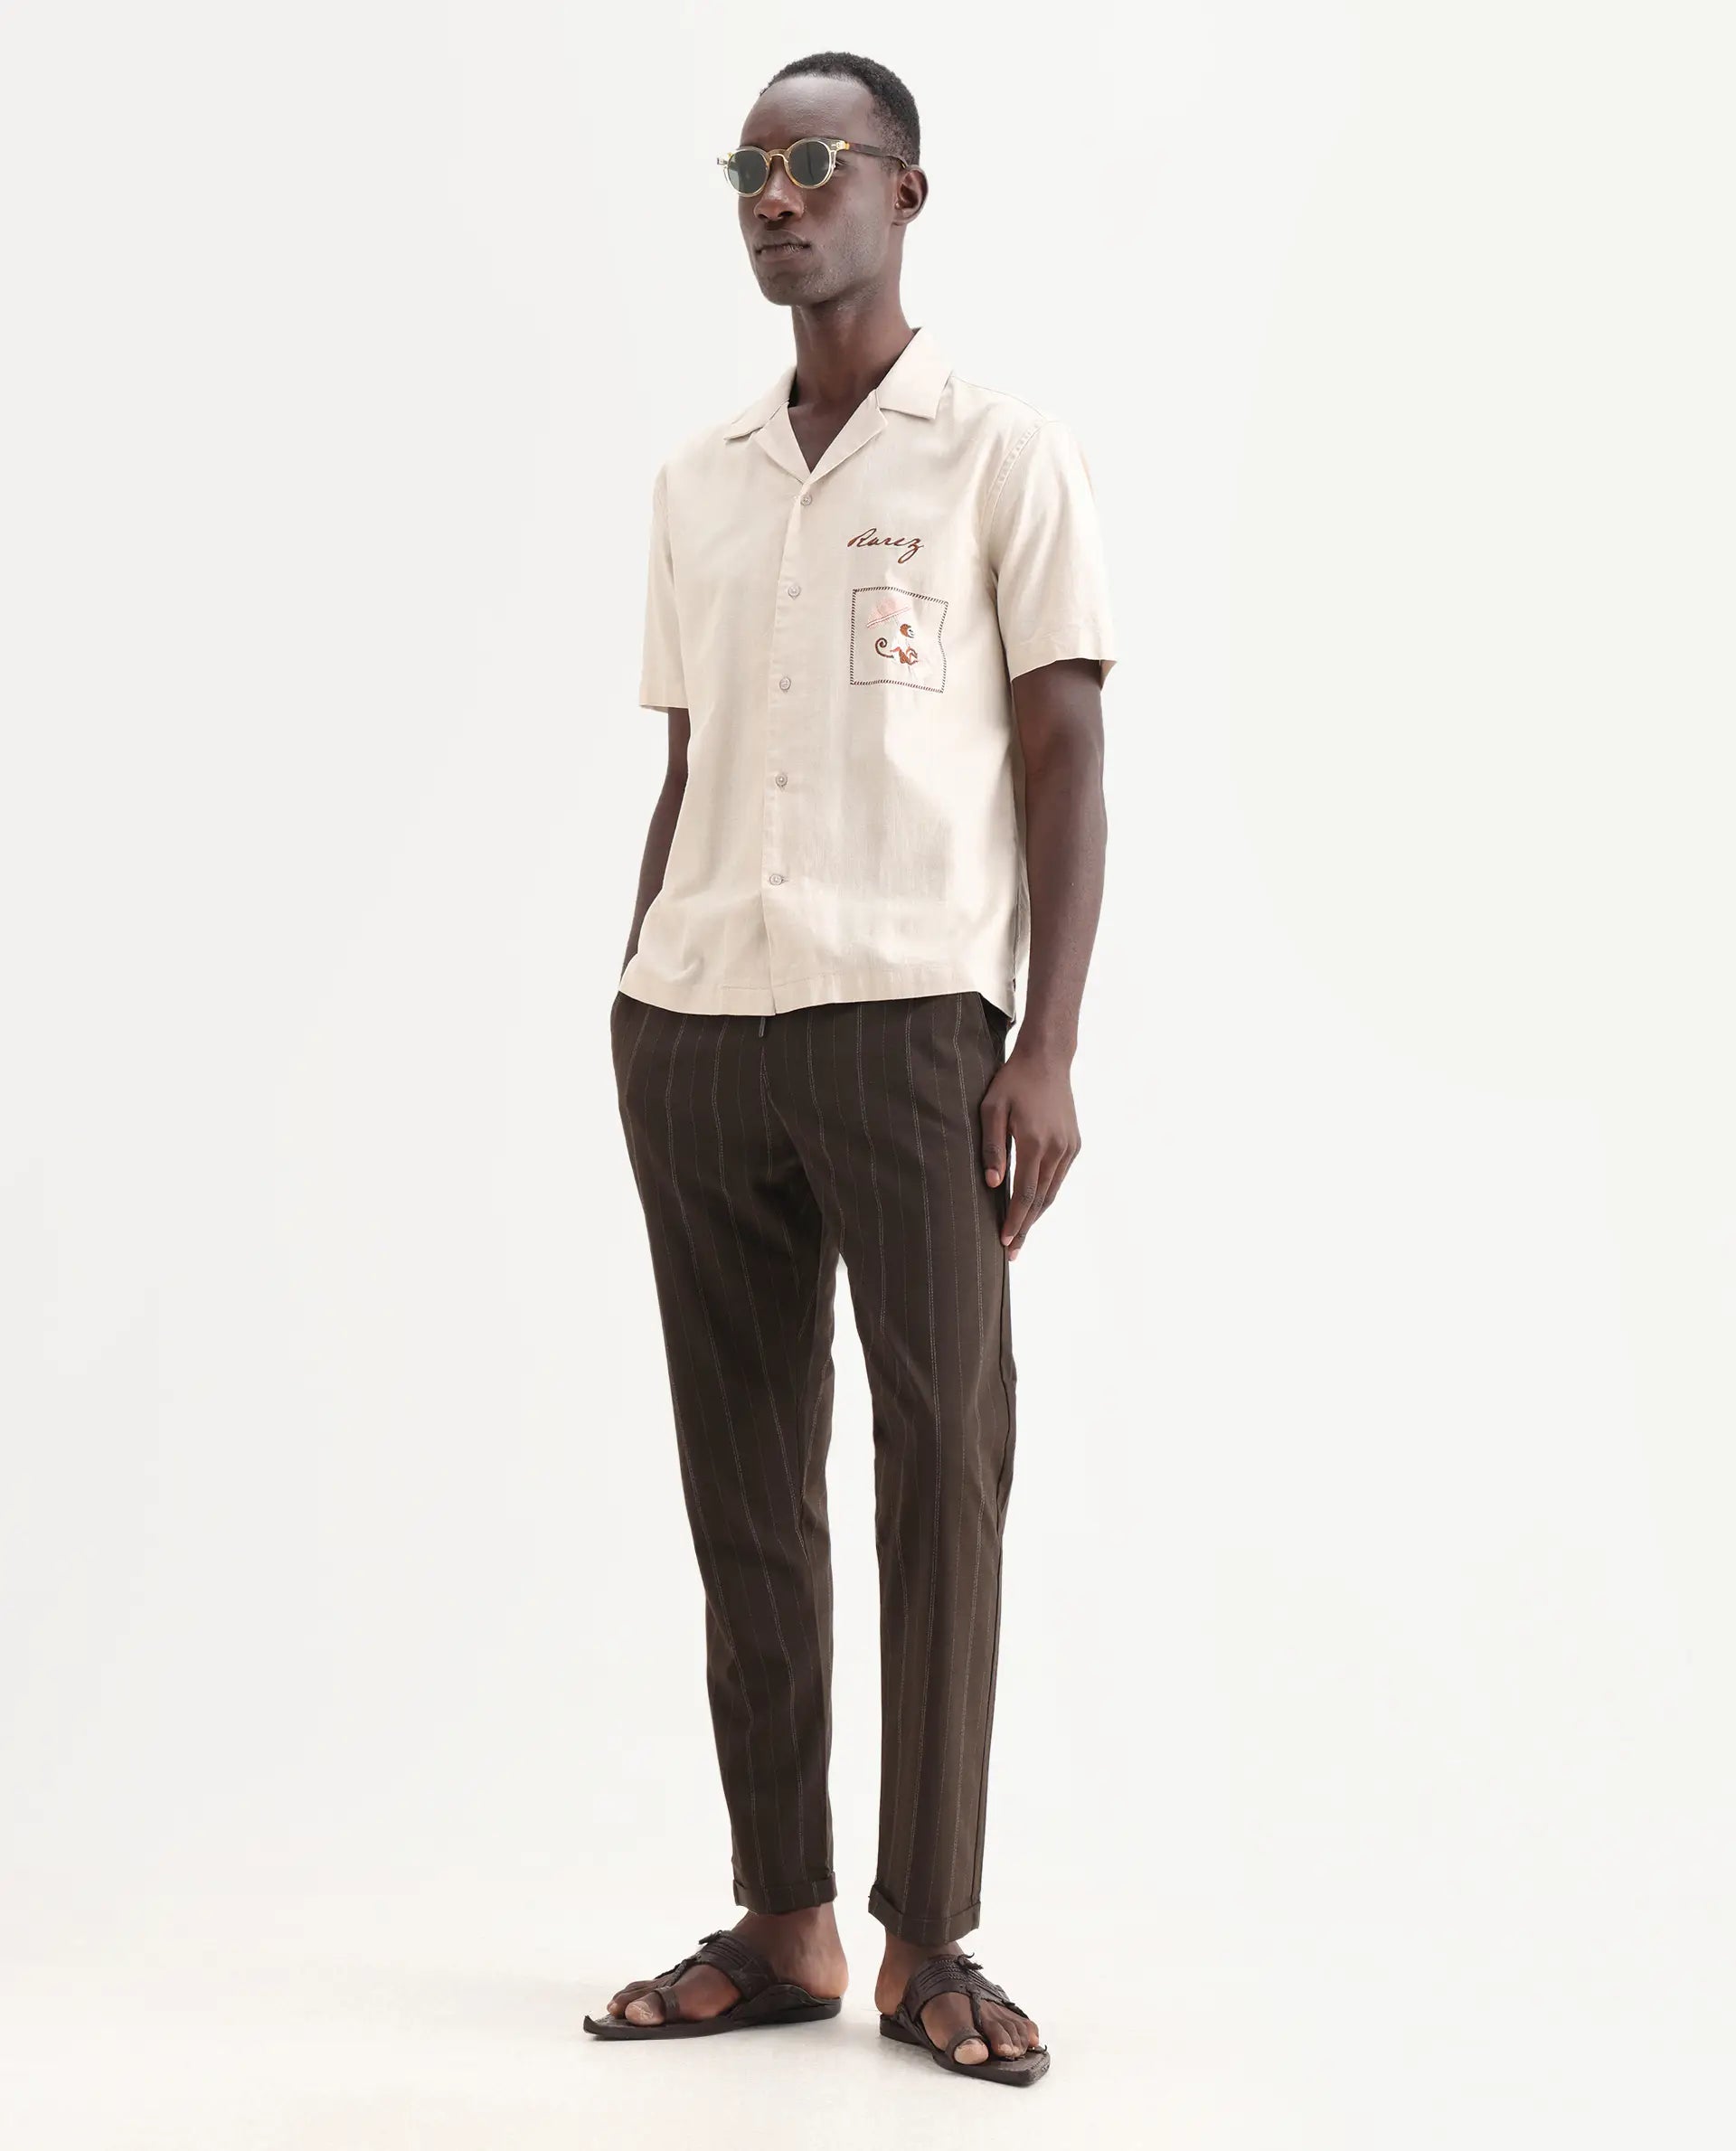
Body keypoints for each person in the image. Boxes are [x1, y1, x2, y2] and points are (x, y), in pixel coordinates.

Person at [588, 50, 1116, 2088]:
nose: (777, 196)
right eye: (751, 167)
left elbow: (1065, 752)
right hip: (700, 1026)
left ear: (905, 191)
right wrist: (636, 982)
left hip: (912, 1026)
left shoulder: (1000, 456)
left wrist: (1043, 1044)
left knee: (943, 1459)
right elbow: (690, 759)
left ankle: (931, 1933)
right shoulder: (699, 481)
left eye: (816, 163)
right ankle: (783, 1915)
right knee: (744, 1484)